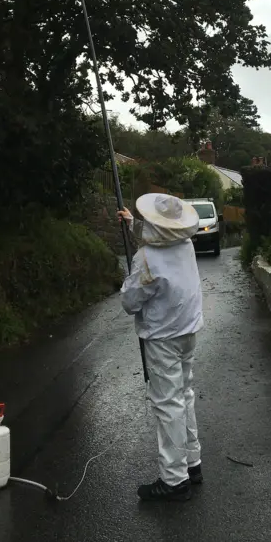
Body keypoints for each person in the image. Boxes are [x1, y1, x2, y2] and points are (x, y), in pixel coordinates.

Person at [118, 193, 204, 502]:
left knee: (167, 404)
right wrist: (131, 223)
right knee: (184, 395)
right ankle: (192, 464)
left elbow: (130, 302)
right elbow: (157, 238)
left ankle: (173, 480)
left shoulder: (146, 259)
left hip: (163, 336)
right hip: (187, 331)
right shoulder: (185, 245)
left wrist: (129, 280)